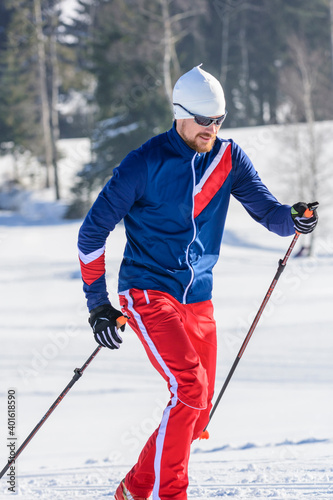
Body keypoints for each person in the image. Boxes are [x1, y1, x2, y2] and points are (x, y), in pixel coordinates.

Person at [78, 65, 318, 500]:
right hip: (148, 291)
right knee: (188, 388)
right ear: (180, 113)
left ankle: (134, 488)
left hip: (198, 298)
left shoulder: (230, 159)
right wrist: (98, 304)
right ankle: (171, 494)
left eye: (219, 120)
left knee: (197, 409)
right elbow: (92, 233)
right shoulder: (144, 163)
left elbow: (269, 214)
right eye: (204, 120)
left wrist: (295, 217)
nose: (212, 128)